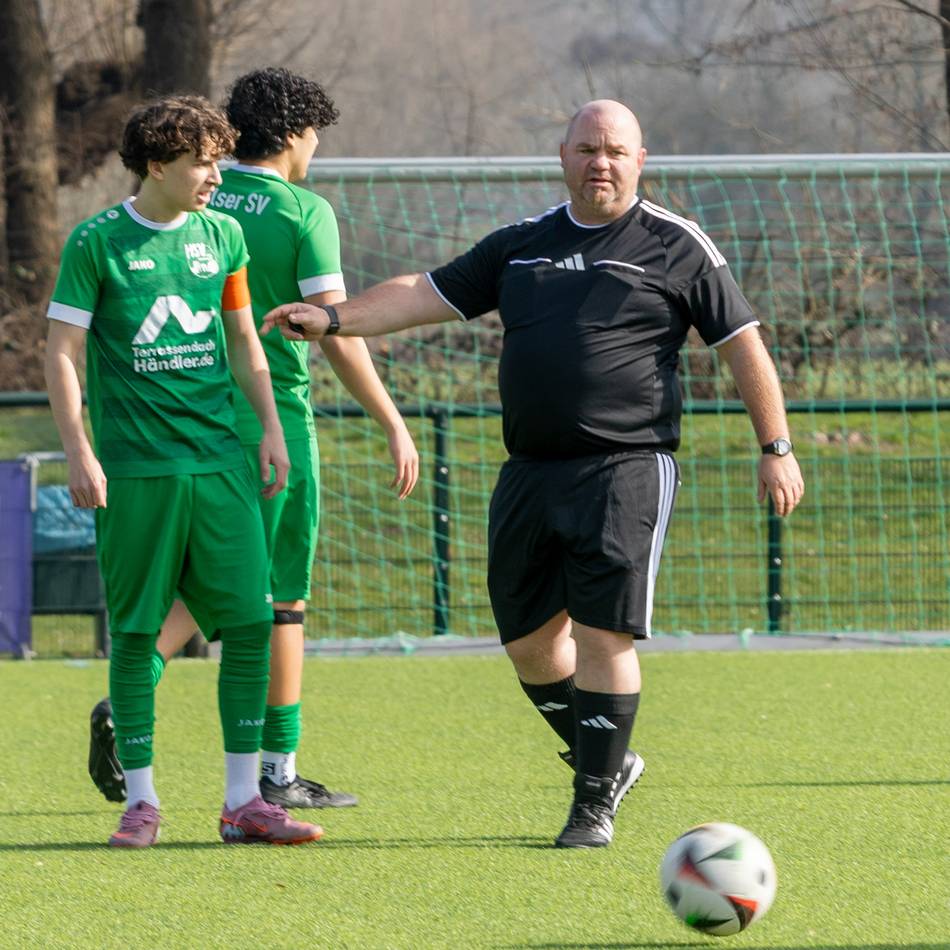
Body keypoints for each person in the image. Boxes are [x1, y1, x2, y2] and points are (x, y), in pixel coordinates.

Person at [260, 100, 805, 849]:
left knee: (602, 632)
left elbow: (742, 343)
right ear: (562, 155)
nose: (600, 163)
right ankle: (608, 759)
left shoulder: (676, 245)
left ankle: (592, 805)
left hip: (626, 464)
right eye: (587, 149)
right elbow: (425, 292)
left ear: (641, 159)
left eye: (615, 150)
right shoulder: (522, 245)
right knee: (528, 643)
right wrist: (335, 319)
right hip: (529, 471)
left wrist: (775, 447)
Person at [87, 68, 419, 811]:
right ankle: (276, 768)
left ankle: (138, 695)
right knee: (278, 597)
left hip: (180, 423)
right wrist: (391, 419)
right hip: (271, 424)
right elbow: (335, 328)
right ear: (299, 134)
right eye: (315, 138)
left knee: (220, 589)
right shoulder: (301, 210)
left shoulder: (183, 197)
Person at [47, 95, 322, 848]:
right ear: (156, 165)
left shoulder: (223, 235)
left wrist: (269, 427)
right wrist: (79, 450)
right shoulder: (95, 243)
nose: (214, 174)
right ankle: (140, 800)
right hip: (136, 471)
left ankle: (243, 802)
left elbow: (242, 339)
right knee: (136, 632)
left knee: (249, 621)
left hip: (221, 464)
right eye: (202, 161)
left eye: (217, 157)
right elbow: (63, 354)